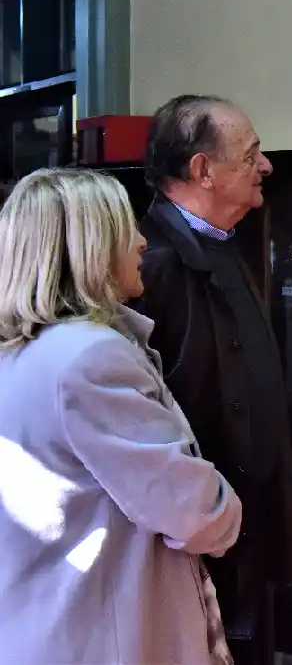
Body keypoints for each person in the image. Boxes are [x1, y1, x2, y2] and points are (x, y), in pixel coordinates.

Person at [0, 167, 242, 664]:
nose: (140, 241)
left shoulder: (21, 352)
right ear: (90, 246)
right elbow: (194, 512)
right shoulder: (89, 358)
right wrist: (225, 505)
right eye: (125, 227)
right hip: (106, 637)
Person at [131, 94, 292, 664]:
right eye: (250, 154)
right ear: (202, 171)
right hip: (196, 533)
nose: (266, 166)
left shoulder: (223, 244)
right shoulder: (152, 262)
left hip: (240, 524)